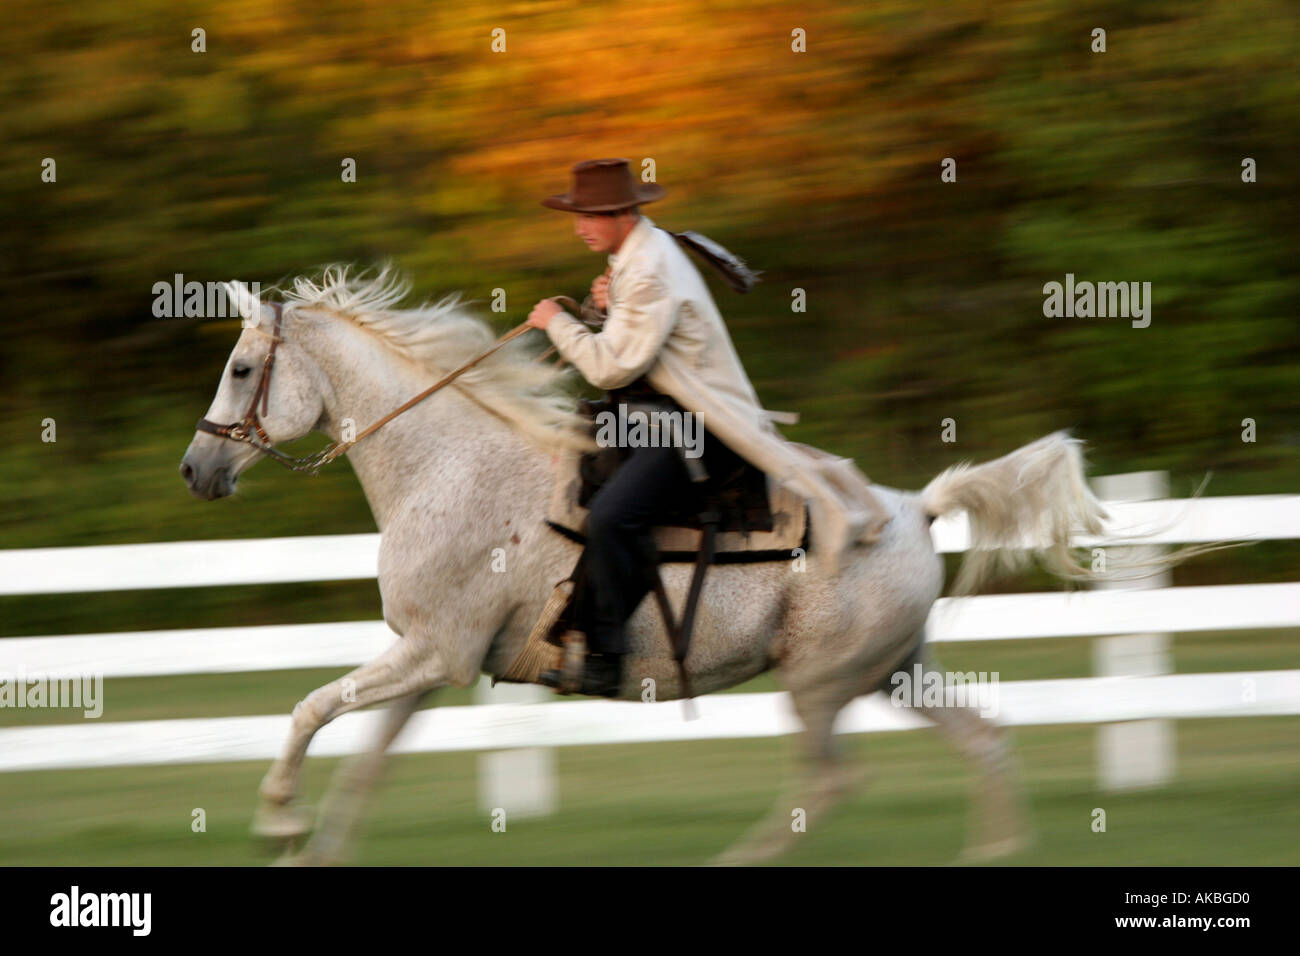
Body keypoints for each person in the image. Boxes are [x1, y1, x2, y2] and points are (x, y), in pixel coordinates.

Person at [527, 158, 890, 696]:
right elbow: (638, 345)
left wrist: (557, 323)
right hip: (655, 417)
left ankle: (603, 655)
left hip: (695, 428)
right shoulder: (639, 256)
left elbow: (610, 366)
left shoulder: (648, 267)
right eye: (576, 215)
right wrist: (607, 308)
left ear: (625, 213)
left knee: (610, 517)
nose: (580, 226)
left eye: (590, 216)